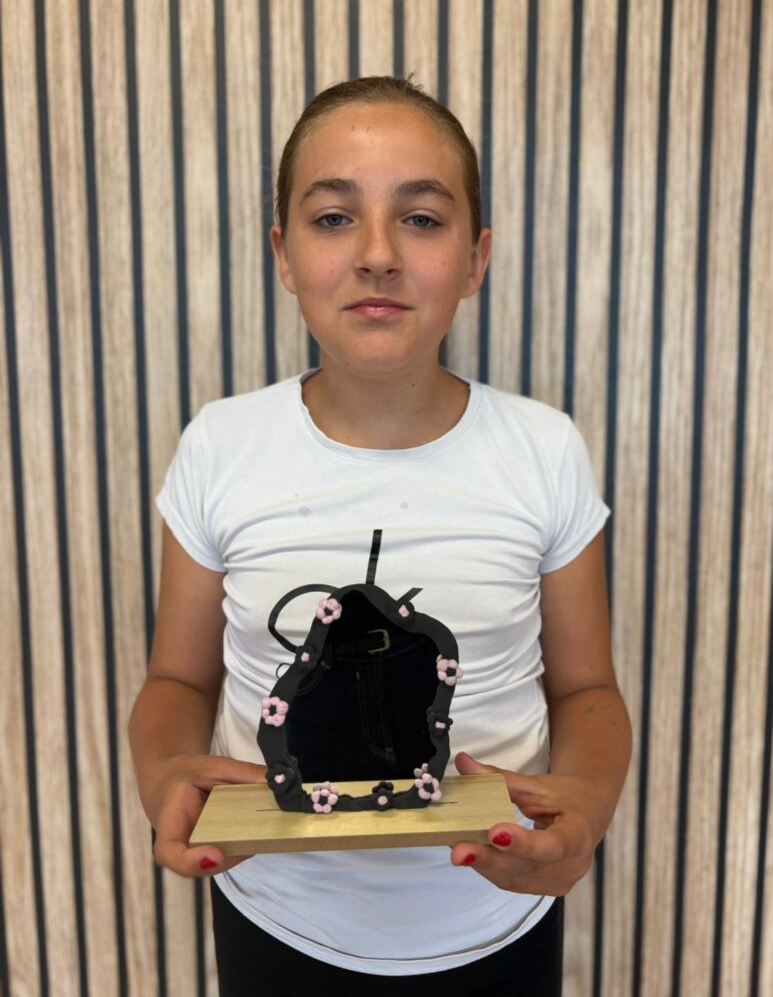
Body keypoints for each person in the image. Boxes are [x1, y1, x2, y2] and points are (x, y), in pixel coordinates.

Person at [129, 76, 632, 996]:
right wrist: (163, 772)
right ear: (283, 255)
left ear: (475, 259)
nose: (376, 255)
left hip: (496, 919)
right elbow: (178, 679)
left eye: (421, 219)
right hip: (276, 915)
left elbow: (586, 687)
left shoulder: (544, 450)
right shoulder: (220, 445)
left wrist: (589, 809)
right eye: (332, 218)